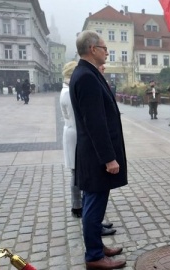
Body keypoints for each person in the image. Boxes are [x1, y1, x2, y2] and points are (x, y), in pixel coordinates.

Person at [69, 30, 127, 269]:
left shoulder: (87, 73)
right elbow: (95, 123)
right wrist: (109, 158)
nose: (107, 52)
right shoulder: (86, 77)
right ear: (93, 49)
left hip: (93, 155)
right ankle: (94, 256)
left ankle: (97, 246)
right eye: (104, 48)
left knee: (95, 204)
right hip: (96, 158)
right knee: (93, 206)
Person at [60, 61, 83, 220]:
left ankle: (78, 205)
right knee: (76, 172)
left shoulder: (67, 89)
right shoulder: (68, 91)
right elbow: (75, 117)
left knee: (76, 171)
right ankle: (76, 205)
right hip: (74, 133)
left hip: (72, 131)